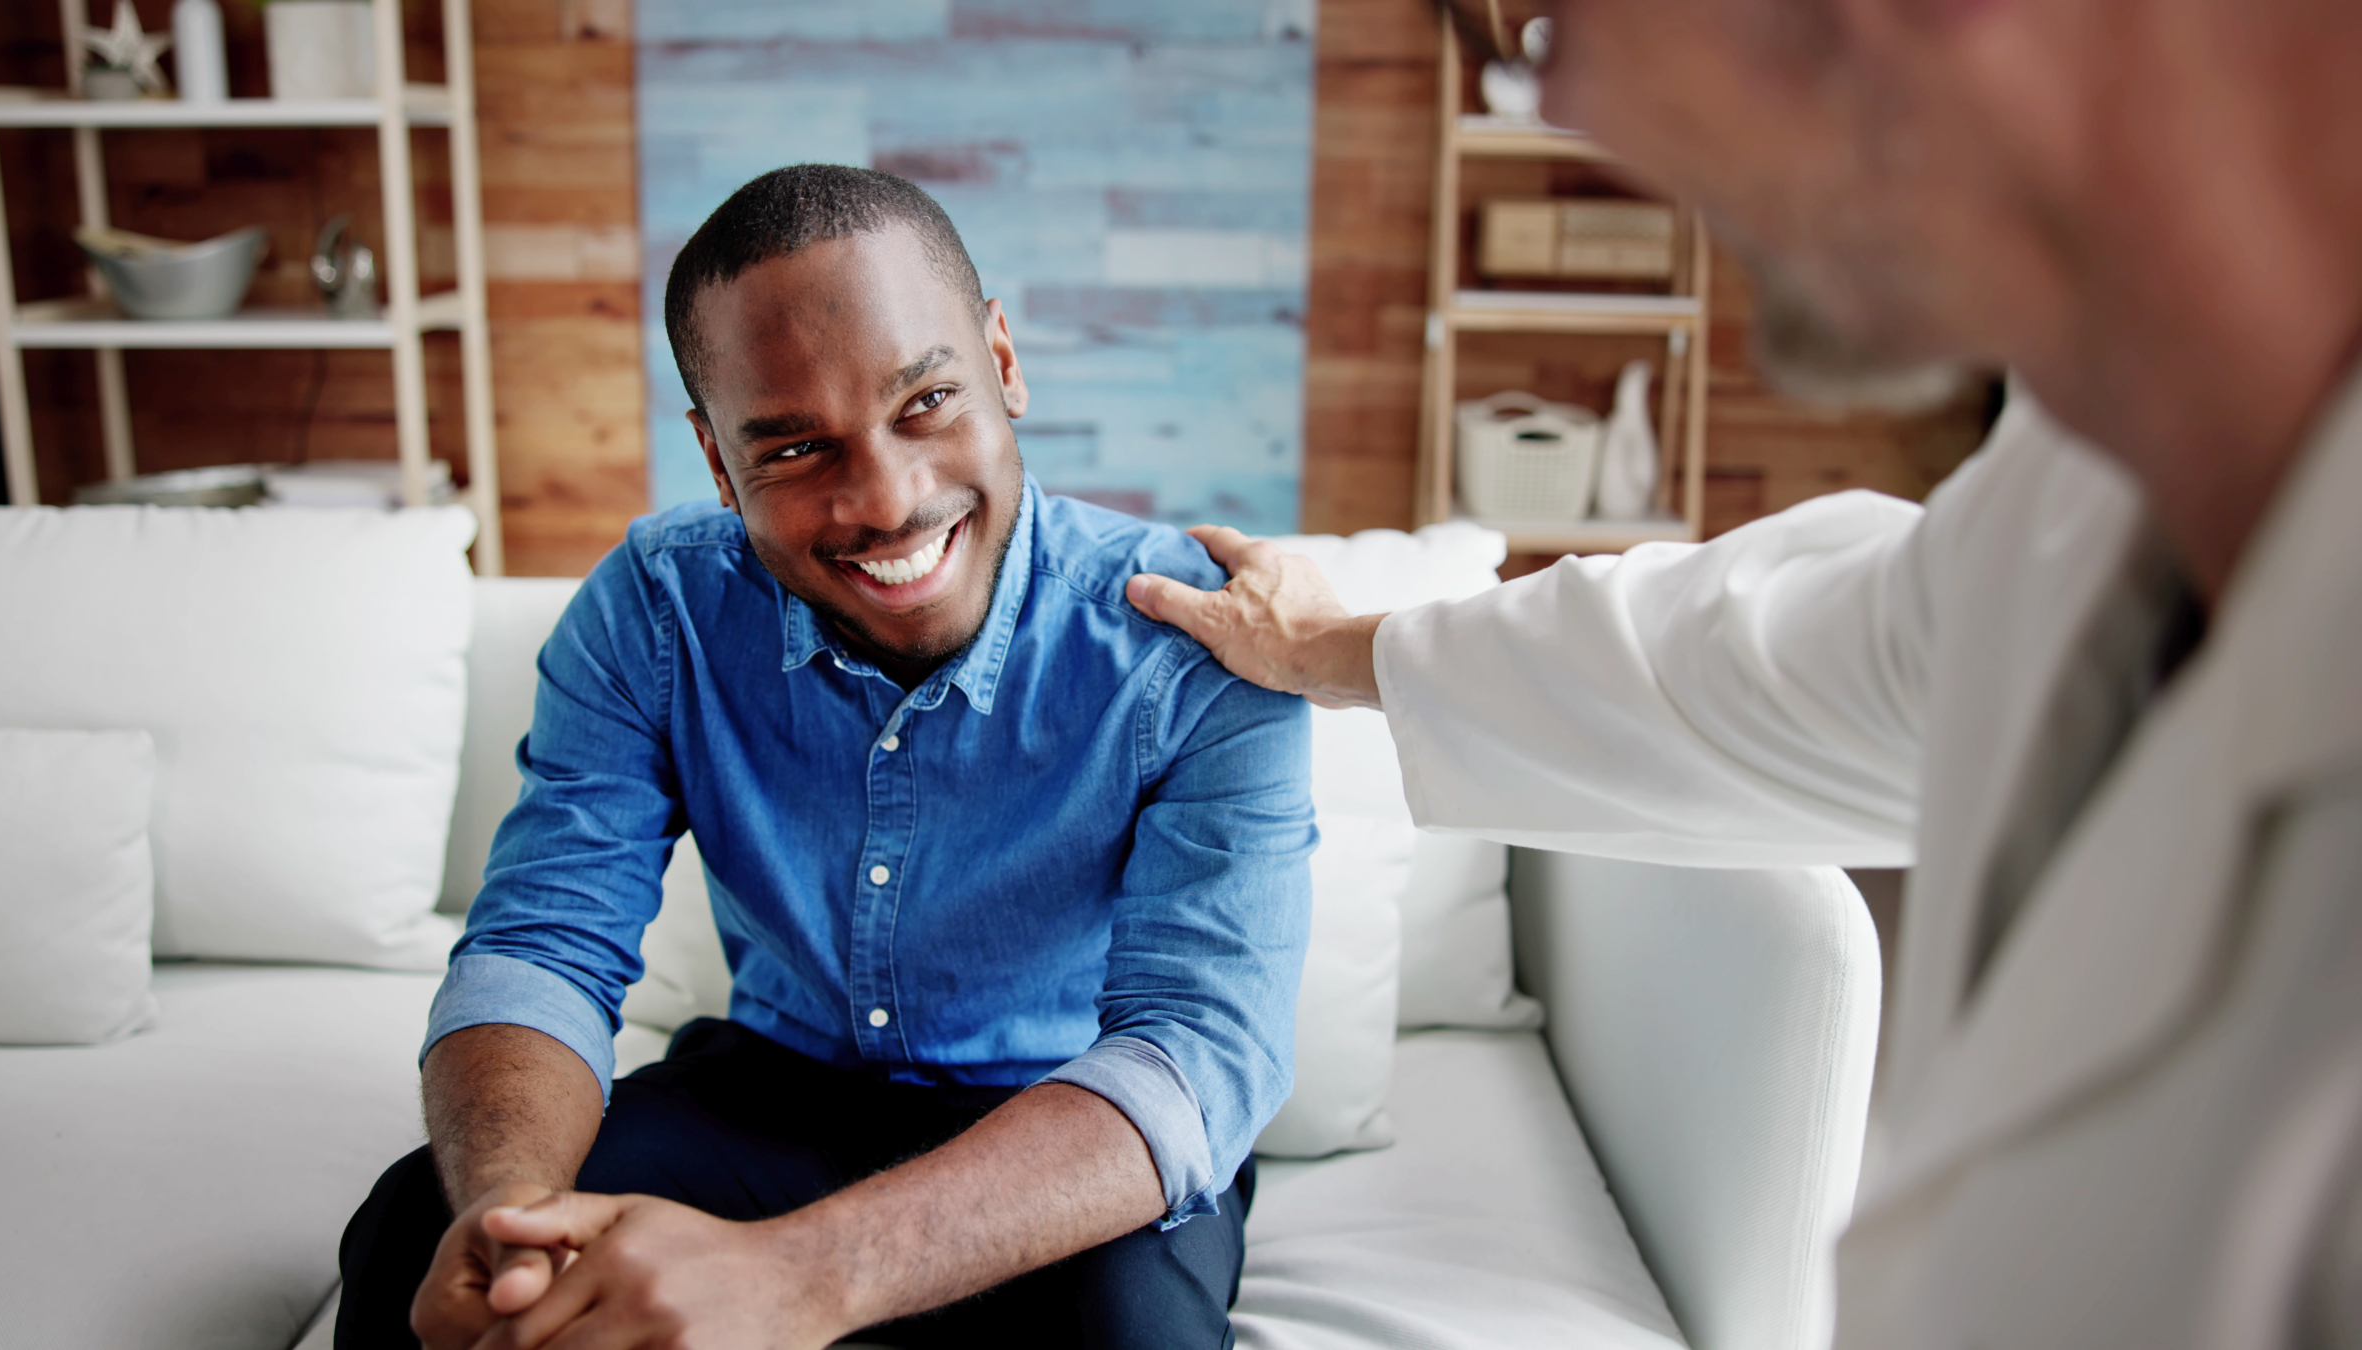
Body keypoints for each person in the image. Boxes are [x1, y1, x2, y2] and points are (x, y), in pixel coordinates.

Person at [1130, 1, 2360, 1346]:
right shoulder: (2076, 512)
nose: (1571, 121)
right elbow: (1745, 657)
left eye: (1546, 34)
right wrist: (1333, 651)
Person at [334, 165, 1314, 1350]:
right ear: (715, 457)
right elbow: (544, 944)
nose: (887, 503)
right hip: (771, 1086)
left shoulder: (1201, 637)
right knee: (417, 1241)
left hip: (1074, 1120)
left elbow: (1195, 1054)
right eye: (795, 449)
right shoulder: (657, 610)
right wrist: (515, 1214)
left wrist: (800, 1277)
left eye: (926, 402)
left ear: (1001, 361)